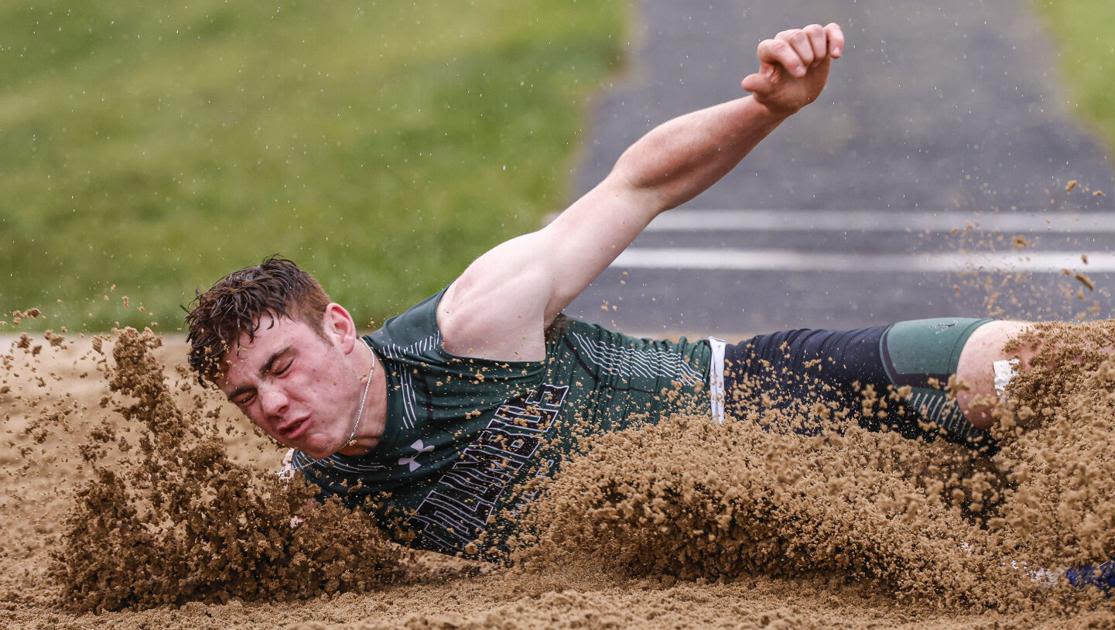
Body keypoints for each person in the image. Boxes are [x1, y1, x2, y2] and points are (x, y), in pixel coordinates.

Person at [185, 23, 1037, 557]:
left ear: (337, 326)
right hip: (746, 536)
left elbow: (639, 186)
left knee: (1009, 370)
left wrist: (771, 109)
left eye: (281, 364)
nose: (274, 404)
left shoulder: (474, 326)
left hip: (749, 399)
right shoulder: (320, 508)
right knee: (963, 521)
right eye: (246, 397)